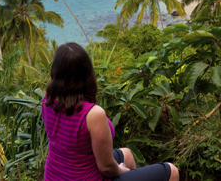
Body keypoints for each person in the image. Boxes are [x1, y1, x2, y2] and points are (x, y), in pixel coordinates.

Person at [42, 43, 179, 181]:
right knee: (171, 171)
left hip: (54, 175)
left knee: (128, 154)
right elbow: (106, 168)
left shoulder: (48, 100)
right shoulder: (93, 114)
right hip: (85, 177)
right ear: (87, 72)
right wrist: (121, 169)